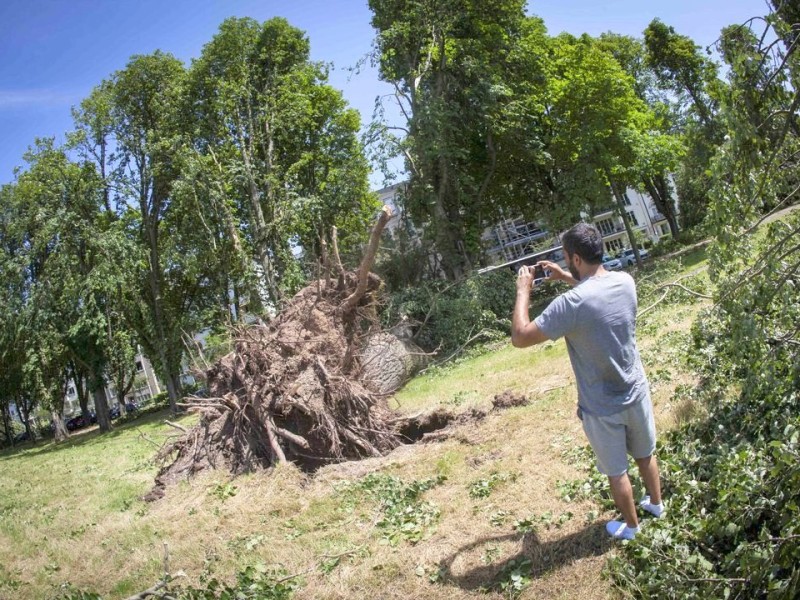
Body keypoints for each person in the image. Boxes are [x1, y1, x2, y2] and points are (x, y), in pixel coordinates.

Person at [511, 223, 664, 540]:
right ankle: (656, 504)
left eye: (567, 258)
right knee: (645, 453)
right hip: (635, 391)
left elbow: (520, 337)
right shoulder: (625, 282)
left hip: (601, 406)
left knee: (616, 470)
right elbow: (595, 293)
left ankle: (632, 528)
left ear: (576, 258)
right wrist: (566, 278)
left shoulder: (570, 306)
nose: (566, 262)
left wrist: (523, 290)